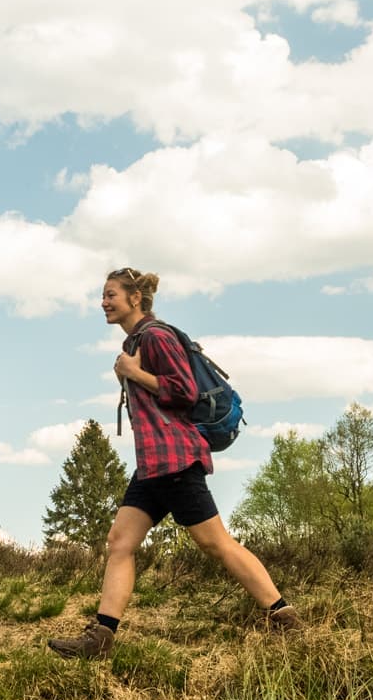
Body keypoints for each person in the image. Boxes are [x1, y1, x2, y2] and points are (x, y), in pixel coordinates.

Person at [49, 267, 296, 660]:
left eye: (111, 294)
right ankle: (101, 638)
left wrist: (135, 373)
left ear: (135, 299)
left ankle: (284, 617)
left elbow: (185, 392)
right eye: (103, 295)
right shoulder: (136, 341)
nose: (104, 302)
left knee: (215, 544)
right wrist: (134, 370)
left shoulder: (157, 336)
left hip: (177, 460)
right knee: (120, 542)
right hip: (153, 464)